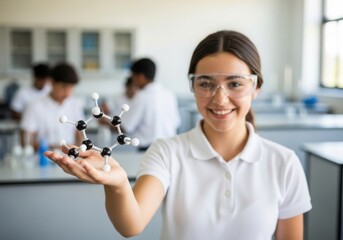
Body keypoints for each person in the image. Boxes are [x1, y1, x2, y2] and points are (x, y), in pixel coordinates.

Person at [45, 30, 312, 240]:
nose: (220, 99)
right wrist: (118, 185)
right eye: (206, 83)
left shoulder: (284, 163)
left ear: (256, 88)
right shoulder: (167, 152)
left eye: (234, 83)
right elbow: (131, 224)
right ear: (193, 87)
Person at [118, 58, 180, 150]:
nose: (133, 80)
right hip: (170, 147)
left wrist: (104, 121)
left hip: (149, 149)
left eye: (133, 76)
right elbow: (176, 122)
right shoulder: (169, 94)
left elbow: (127, 127)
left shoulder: (141, 96)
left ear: (141, 76)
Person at [21, 62, 84, 151]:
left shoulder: (75, 104)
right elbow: (27, 139)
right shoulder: (35, 106)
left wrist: (79, 151)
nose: (67, 92)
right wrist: (53, 149)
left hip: (70, 155)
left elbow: (79, 133)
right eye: (64, 86)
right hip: (43, 158)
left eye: (71, 87)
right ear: (52, 82)